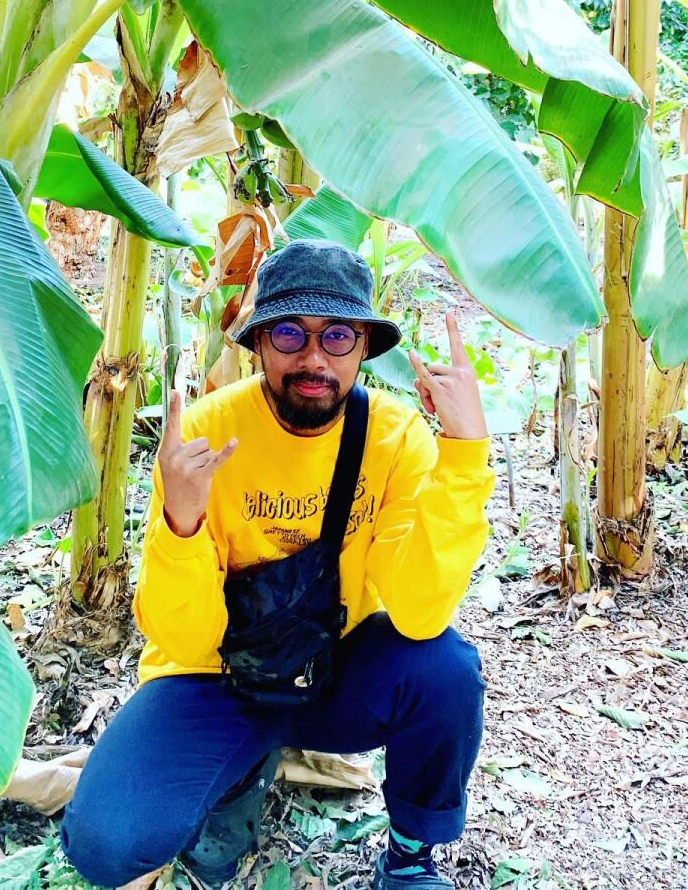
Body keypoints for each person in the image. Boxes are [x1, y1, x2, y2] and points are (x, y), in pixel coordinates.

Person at [61, 239, 496, 889]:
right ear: (258, 341)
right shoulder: (206, 438)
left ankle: (408, 857)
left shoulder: (395, 438)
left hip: (332, 668)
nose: (314, 356)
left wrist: (463, 455)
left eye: (338, 335)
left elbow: (419, 611)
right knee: (106, 845)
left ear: (364, 350)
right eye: (290, 332)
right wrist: (183, 524)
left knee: (445, 672)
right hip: (216, 680)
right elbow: (180, 637)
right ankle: (233, 776)